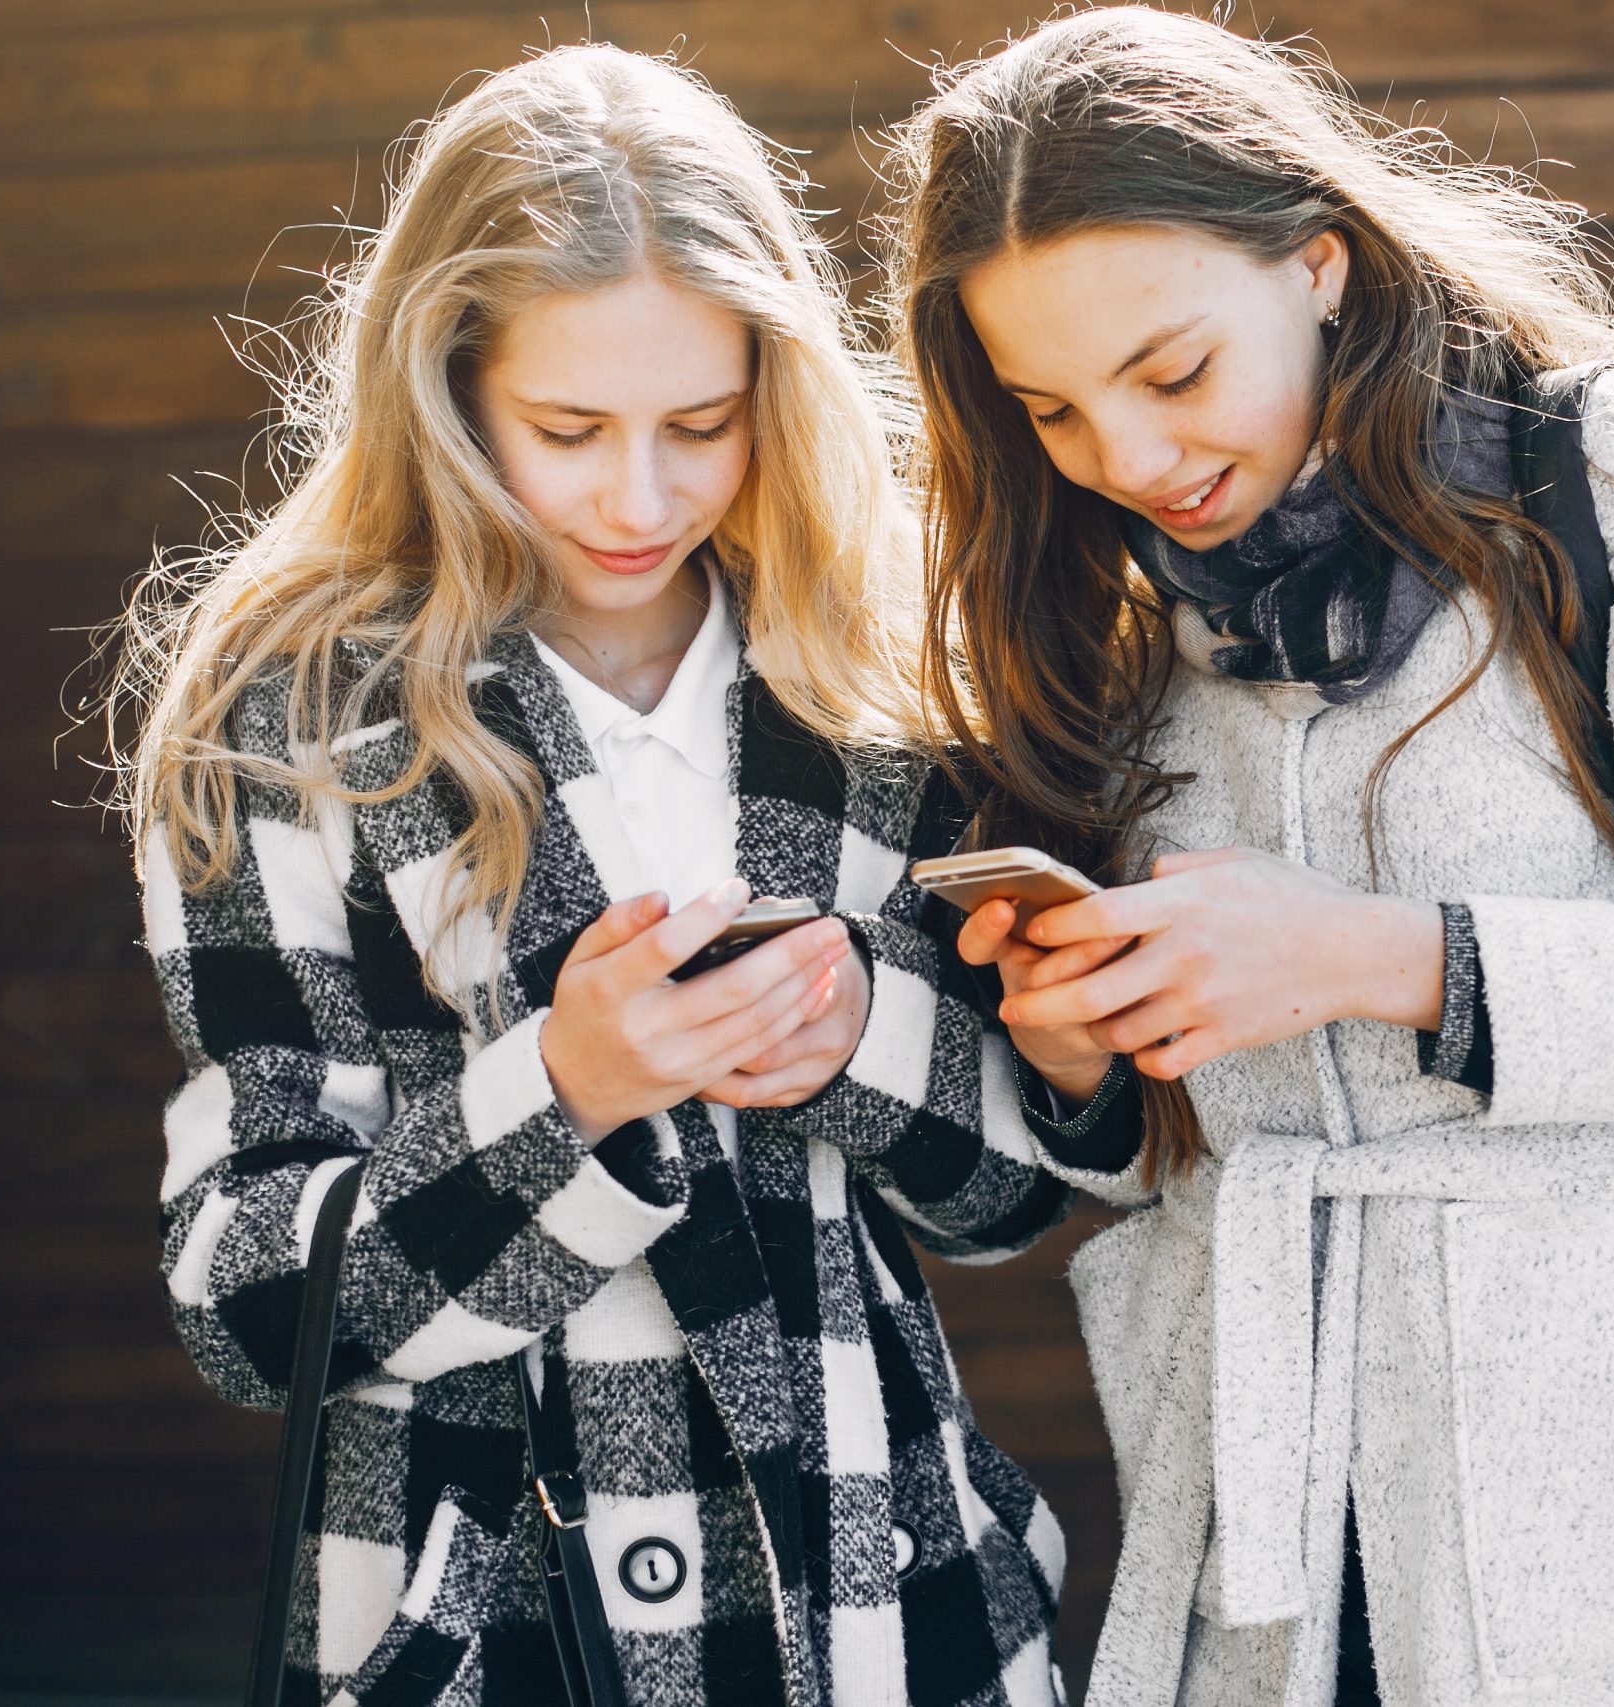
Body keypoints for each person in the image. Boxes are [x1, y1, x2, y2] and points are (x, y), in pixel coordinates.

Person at [879, 11, 1614, 1705]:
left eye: (1171, 374)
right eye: (1052, 412)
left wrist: (1389, 957)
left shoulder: (1597, 481)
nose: (1129, 460)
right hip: (1260, 1554)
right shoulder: (1091, 610)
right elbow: (1152, 1150)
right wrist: (1084, 1054)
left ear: (1317, 264)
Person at [114, 45, 1070, 1707]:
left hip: (886, 1604)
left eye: (702, 424)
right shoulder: (287, 717)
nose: (641, 497)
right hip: (486, 1623)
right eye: (567, 428)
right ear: (447, 384)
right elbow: (246, 1301)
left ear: (780, 387)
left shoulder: (876, 677)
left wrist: (858, 1048)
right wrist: (566, 1088)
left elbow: (1008, 1204)